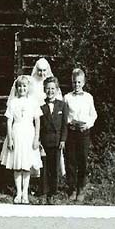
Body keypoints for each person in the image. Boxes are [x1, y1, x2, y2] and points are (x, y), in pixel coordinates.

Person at [0, 75, 42, 204]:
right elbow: (9, 121)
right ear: (16, 88)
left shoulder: (33, 102)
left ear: (28, 88)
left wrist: (36, 138)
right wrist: (10, 139)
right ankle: (18, 193)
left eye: (24, 86)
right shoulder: (13, 102)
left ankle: (25, 194)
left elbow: (37, 120)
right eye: (20, 86)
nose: (22, 88)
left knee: (26, 165)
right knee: (17, 165)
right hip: (16, 133)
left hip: (29, 133)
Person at [64, 68, 98, 202]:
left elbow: (93, 115)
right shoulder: (67, 97)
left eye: (79, 82)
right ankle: (71, 188)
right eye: (74, 82)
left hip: (84, 132)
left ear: (83, 82)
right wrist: (70, 122)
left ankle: (81, 188)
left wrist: (88, 124)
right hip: (72, 132)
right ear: (71, 83)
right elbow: (65, 115)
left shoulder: (89, 97)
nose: (76, 85)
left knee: (82, 161)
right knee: (71, 161)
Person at [39, 77, 68, 204]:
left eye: (53, 88)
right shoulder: (40, 106)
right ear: (44, 90)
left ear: (57, 90)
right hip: (44, 141)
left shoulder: (62, 105)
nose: (50, 91)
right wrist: (38, 141)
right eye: (48, 88)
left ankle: (53, 192)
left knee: (54, 167)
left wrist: (63, 140)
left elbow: (64, 125)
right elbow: (38, 125)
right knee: (44, 167)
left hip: (57, 142)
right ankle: (44, 192)